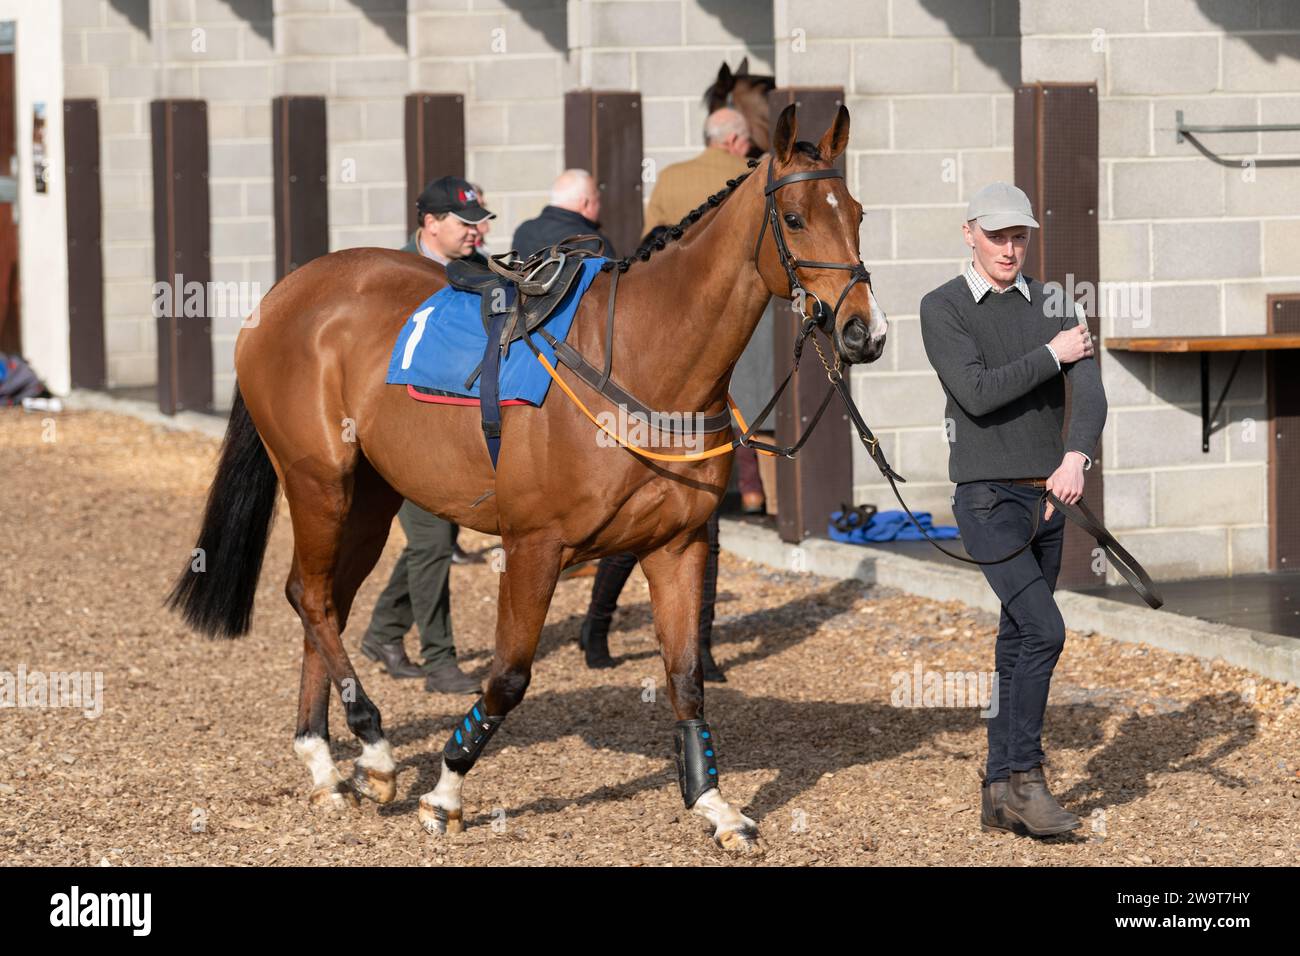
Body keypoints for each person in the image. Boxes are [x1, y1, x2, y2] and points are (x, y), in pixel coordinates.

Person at [919, 182, 1106, 837]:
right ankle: (1026, 778)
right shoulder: (941, 306)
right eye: (997, 235)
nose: (1010, 247)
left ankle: (999, 791)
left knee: (1017, 640)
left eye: (1019, 235)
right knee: (1045, 630)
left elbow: (1092, 396)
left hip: (1048, 502)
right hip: (986, 499)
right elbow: (975, 393)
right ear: (968, 232)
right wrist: (1052, 355)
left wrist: (1076, 458)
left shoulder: (1055, 299)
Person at [577, 109, 757, 681]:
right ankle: (678, 642)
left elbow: (645, 248)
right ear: (733, 142)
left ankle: (610, 628)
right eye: (746, 141)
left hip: (655, 363)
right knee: (668, 516)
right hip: (694, 362)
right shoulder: (746, 181)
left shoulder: (672, 179)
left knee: (665, 516)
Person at [362, 176, 495, 694]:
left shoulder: (477, 270)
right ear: (431, 224)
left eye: (479, 223)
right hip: (397, 430)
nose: (476, 232)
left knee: (432, 540)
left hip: (453, 430)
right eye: (466, 224)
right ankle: (439, 660)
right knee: (435, 538)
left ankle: (383, 633)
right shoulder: (387, 278)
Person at [512, 169, 616, 258]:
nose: (600, 206)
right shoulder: (594, 242)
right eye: (597, 200)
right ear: (584, 203)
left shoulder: (524, 230)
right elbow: (612, 280)